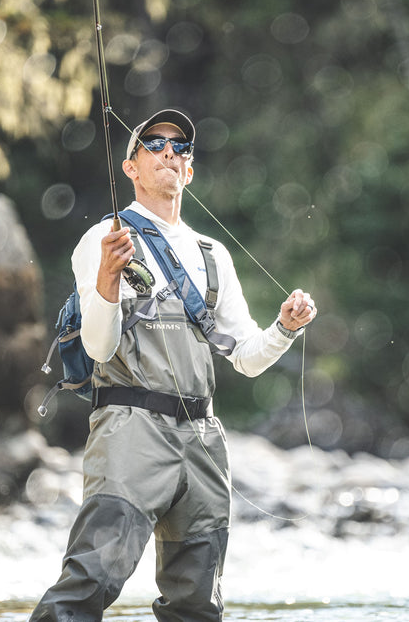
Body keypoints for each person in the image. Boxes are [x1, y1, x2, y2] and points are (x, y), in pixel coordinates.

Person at [29, 109, 317, 622]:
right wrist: (108, 281)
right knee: (90, 581)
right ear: (131, 167)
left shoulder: (213, 256)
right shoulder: (103, 240)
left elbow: (246, 358)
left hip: (203, 440)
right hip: (129, 429)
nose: (168, 150)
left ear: (188, 171)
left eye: (179, 146)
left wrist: (285, 328)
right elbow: (97, 348)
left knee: (198, 604)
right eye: (154, 143)